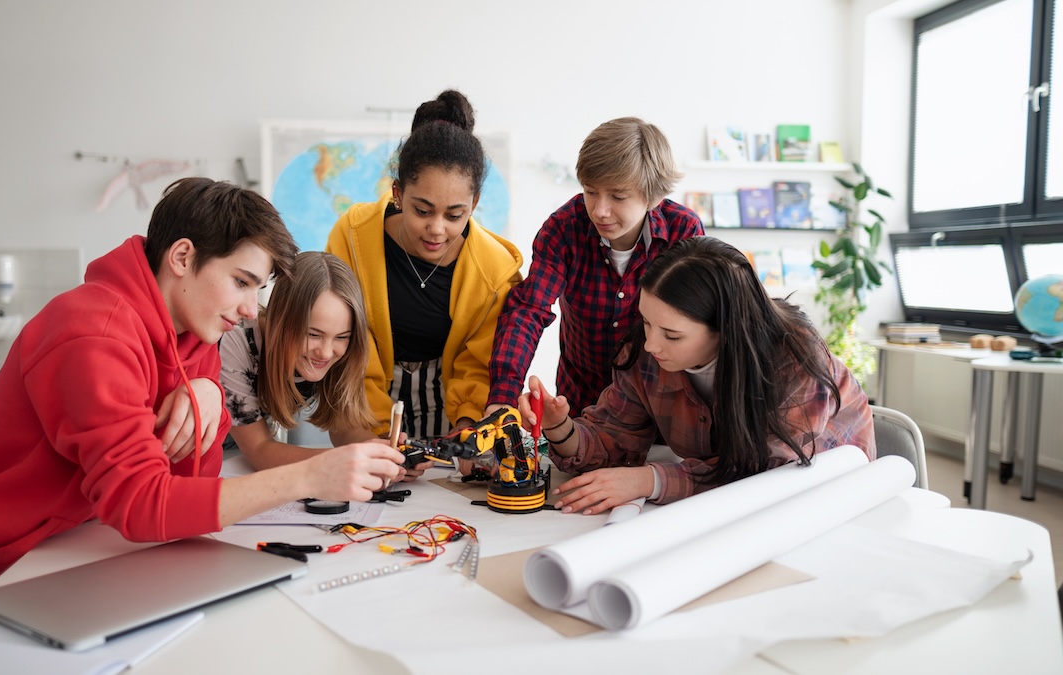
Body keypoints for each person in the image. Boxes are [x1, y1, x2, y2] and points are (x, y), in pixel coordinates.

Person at [0, 178, 406, 673]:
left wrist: (208, 389)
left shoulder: (197, 335)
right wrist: (308, 478)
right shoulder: (93, 332)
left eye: (255, 290)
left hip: (49, 566)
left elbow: (195, 479)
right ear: (182, 257)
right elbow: (142, 503)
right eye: (241, 282)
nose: (247, 309)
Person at [519, 236, 875, 515]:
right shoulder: (645, 351)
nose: (651, 345)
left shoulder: (794, 358)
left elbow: (767, 477)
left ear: (727, 330)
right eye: (645, 322)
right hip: (726, 516)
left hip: (832, 506)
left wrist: (651, 480)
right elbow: (614, 439)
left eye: (672, 335)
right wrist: (559, 427)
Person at [326, 90, 522, 441]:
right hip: (362, 405)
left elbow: (477, 366)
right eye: (422, 210)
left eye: (454, 214)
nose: (437, 229)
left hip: (450, 412)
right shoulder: (353, 238)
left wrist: (466, 430)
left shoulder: (494, 271)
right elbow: (352, 345)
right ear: (398, 194)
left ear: (474, 203)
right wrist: (379, 434)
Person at [486, 117, 704, 420]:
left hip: (661, 409)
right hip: (581, 406)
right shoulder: (563, 229)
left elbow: (700, 325)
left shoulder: (683, 231)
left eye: (617, 196)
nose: (600, 211)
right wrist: (503, 396)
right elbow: (529, 310)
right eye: (590, 191)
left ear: (654, 196)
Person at [219, 250, 431, 479]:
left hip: (241, 465)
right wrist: (348, 461)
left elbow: (344, 428)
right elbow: (260, 450)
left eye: (341, 337)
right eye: (312, 334)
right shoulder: (236, 341)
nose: (326, 352)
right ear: (281, 320)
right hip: (210, 458)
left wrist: (382, 454)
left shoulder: (345, 353)